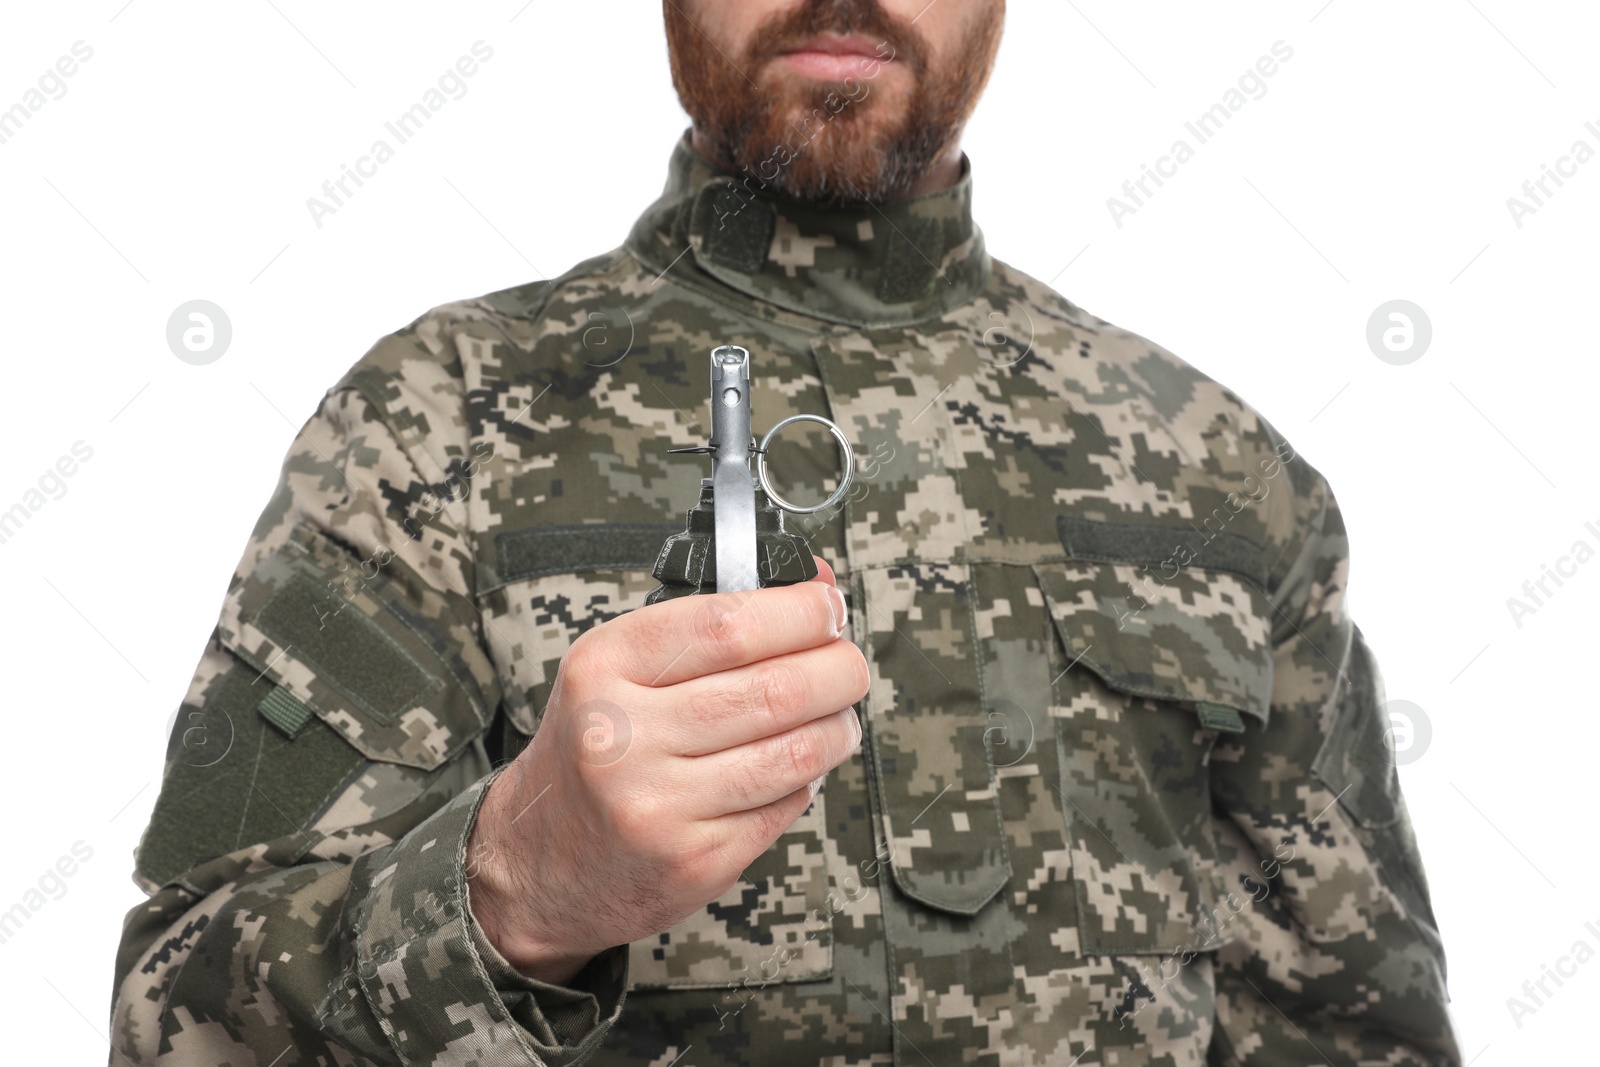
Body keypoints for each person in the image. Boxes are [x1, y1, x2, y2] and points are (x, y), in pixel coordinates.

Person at [108, 1, 1462, 1063]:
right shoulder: (429, 423)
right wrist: (510, 890)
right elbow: (171, 1020)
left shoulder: (1223, 477)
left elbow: (1357, 1042)